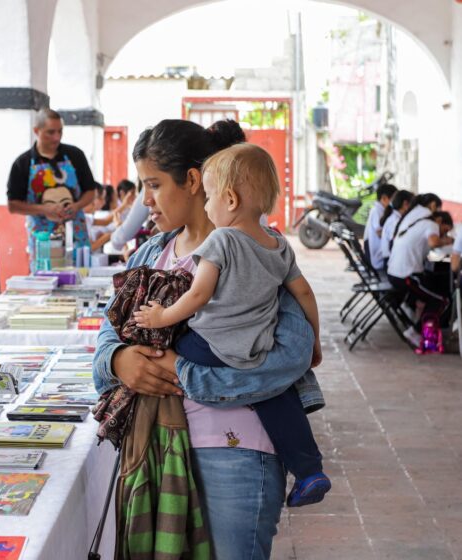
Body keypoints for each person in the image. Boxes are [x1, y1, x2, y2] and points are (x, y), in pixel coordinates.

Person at [94, 119, 320, 560]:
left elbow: (290, 359)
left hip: (234, 451)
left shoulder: (258, 251)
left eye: (154, 185)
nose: (145, 201)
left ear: (194, 181)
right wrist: (120, 361)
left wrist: (182, 373)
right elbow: (107, 337)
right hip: (154, 445)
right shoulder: (149, 253)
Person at [133, 142, 329, 507]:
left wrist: (162, 317)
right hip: (258, 346)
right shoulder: (278, 245)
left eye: (208, 198)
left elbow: (197, 297)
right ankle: (309, 470)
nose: (205, 206)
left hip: (210, 346)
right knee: (277, 395)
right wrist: (314, 340)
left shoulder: (221, 240)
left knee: (168, 342)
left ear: (231, 200)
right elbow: (304, 294)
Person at [6, 107, 96, 271]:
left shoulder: (75, 155)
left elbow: (90, 192)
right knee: (46, 281)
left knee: (80, 276)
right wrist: (43, 209)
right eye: (50, 132)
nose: (57, 137)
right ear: (36, 131)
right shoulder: (23, 163)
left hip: (76, 234)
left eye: (60, 132)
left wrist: (76, 206)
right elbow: (13, 205)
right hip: (43, 239)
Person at [387, 194, 454, 341]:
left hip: (394, 272)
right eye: (445, 229)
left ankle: (410, 307)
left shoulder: (416, 219)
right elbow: (433, 242)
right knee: (442, 300)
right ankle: (416, 332)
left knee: (431, 285)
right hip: (406, 275)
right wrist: (449, 241)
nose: (443, 233)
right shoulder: (430, 224)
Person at [365, 182, 398, 271]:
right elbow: (379, 232)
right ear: (384, 198)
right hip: (378, 257)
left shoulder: (381, 210)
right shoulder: (377, 211)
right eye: (394, 199)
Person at [378, 189, 414, 269]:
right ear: (405, 204)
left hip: (392, 260)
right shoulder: (395, 221)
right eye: (413, 206)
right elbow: (394, 246)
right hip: (391, 263)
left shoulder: (396, 218)